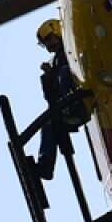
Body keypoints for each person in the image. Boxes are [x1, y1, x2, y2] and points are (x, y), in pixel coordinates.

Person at [35, 19, 86, 179]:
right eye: (46, 43)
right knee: (48, 124)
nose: (49, 45)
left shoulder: (77, 46)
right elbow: (49, 96)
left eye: (50, 39)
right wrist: (49, 77)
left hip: (84, 99)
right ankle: (45, 166)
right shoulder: (54, 63)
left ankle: (68, 107)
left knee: (65, 71)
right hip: (70, 107)